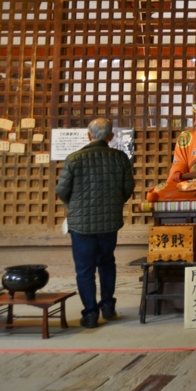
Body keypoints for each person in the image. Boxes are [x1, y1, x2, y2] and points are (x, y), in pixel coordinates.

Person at [55, 118, 135, 328]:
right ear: (111, 137)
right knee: (107, 263)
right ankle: (108, 305)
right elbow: (128, 189)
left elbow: (62, 191)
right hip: (109, 223)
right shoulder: (120, 158)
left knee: (85, 269)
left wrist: (73, 203)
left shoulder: (74, 159)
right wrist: (114, 203)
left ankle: (90, 313)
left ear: (88, 135)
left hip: (81, 225)